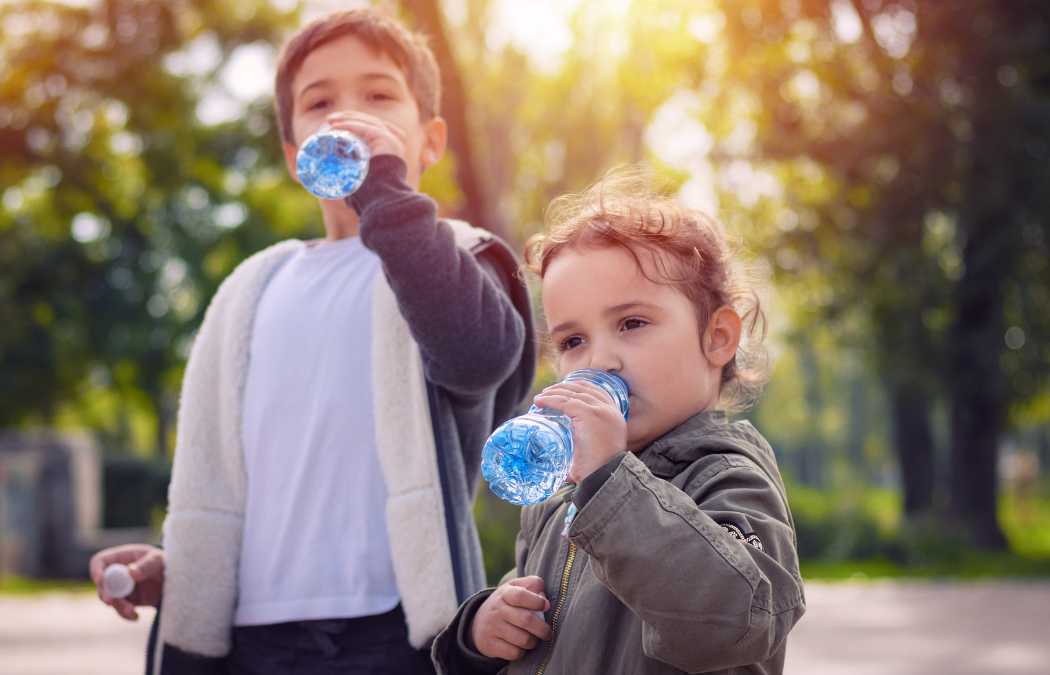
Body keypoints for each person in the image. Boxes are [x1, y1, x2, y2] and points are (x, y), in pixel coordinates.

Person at [89, 7, 535, 674]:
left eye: (378, 95)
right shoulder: (250, 291)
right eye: (319, 101)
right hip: (250, 639)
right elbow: (244, 476)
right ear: (296, 157)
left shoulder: (456, 258)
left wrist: (384, 187)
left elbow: (479, 354)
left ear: (431, 139)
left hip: (395, 634)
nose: (346, 115)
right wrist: (181, 569)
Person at [431, 168, 805, 675]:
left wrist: (610, 480)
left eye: (631, 323)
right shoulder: (562, 497)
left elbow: (737, 619)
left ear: (717, 338)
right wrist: (480, 632)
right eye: (572, 341)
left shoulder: (726, 476)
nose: (597, 361)